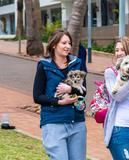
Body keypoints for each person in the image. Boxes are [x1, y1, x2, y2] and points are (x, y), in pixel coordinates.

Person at [33, 29, 87, 160]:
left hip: (77, 122)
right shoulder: (44, 66)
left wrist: (70, 89)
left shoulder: (77, 63)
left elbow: (83, 90)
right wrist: (59, 102)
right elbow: (37, 96)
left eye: (69, 43)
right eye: (64, 43)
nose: (68, 46)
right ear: (54, 45)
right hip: (53, 122)